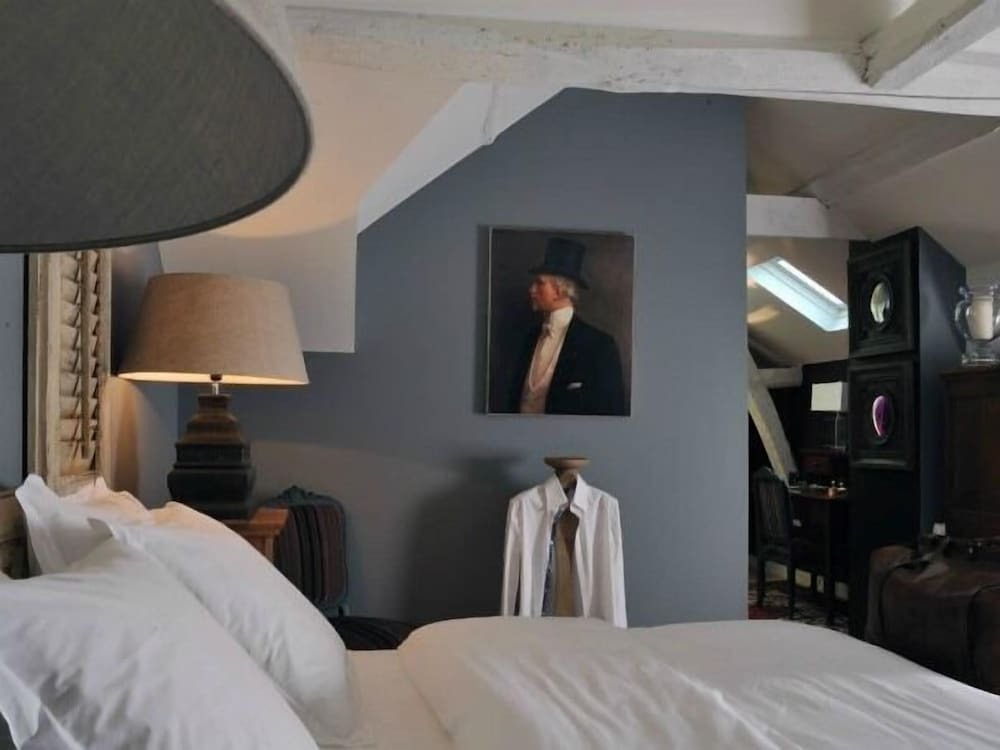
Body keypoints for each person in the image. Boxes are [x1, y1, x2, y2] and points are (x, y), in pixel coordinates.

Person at [508, 237, 627, 415]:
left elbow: (612, 414)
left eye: (539, 283)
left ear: (559, 291)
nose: (531, 289)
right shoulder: (530, 339)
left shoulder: (600, 346)